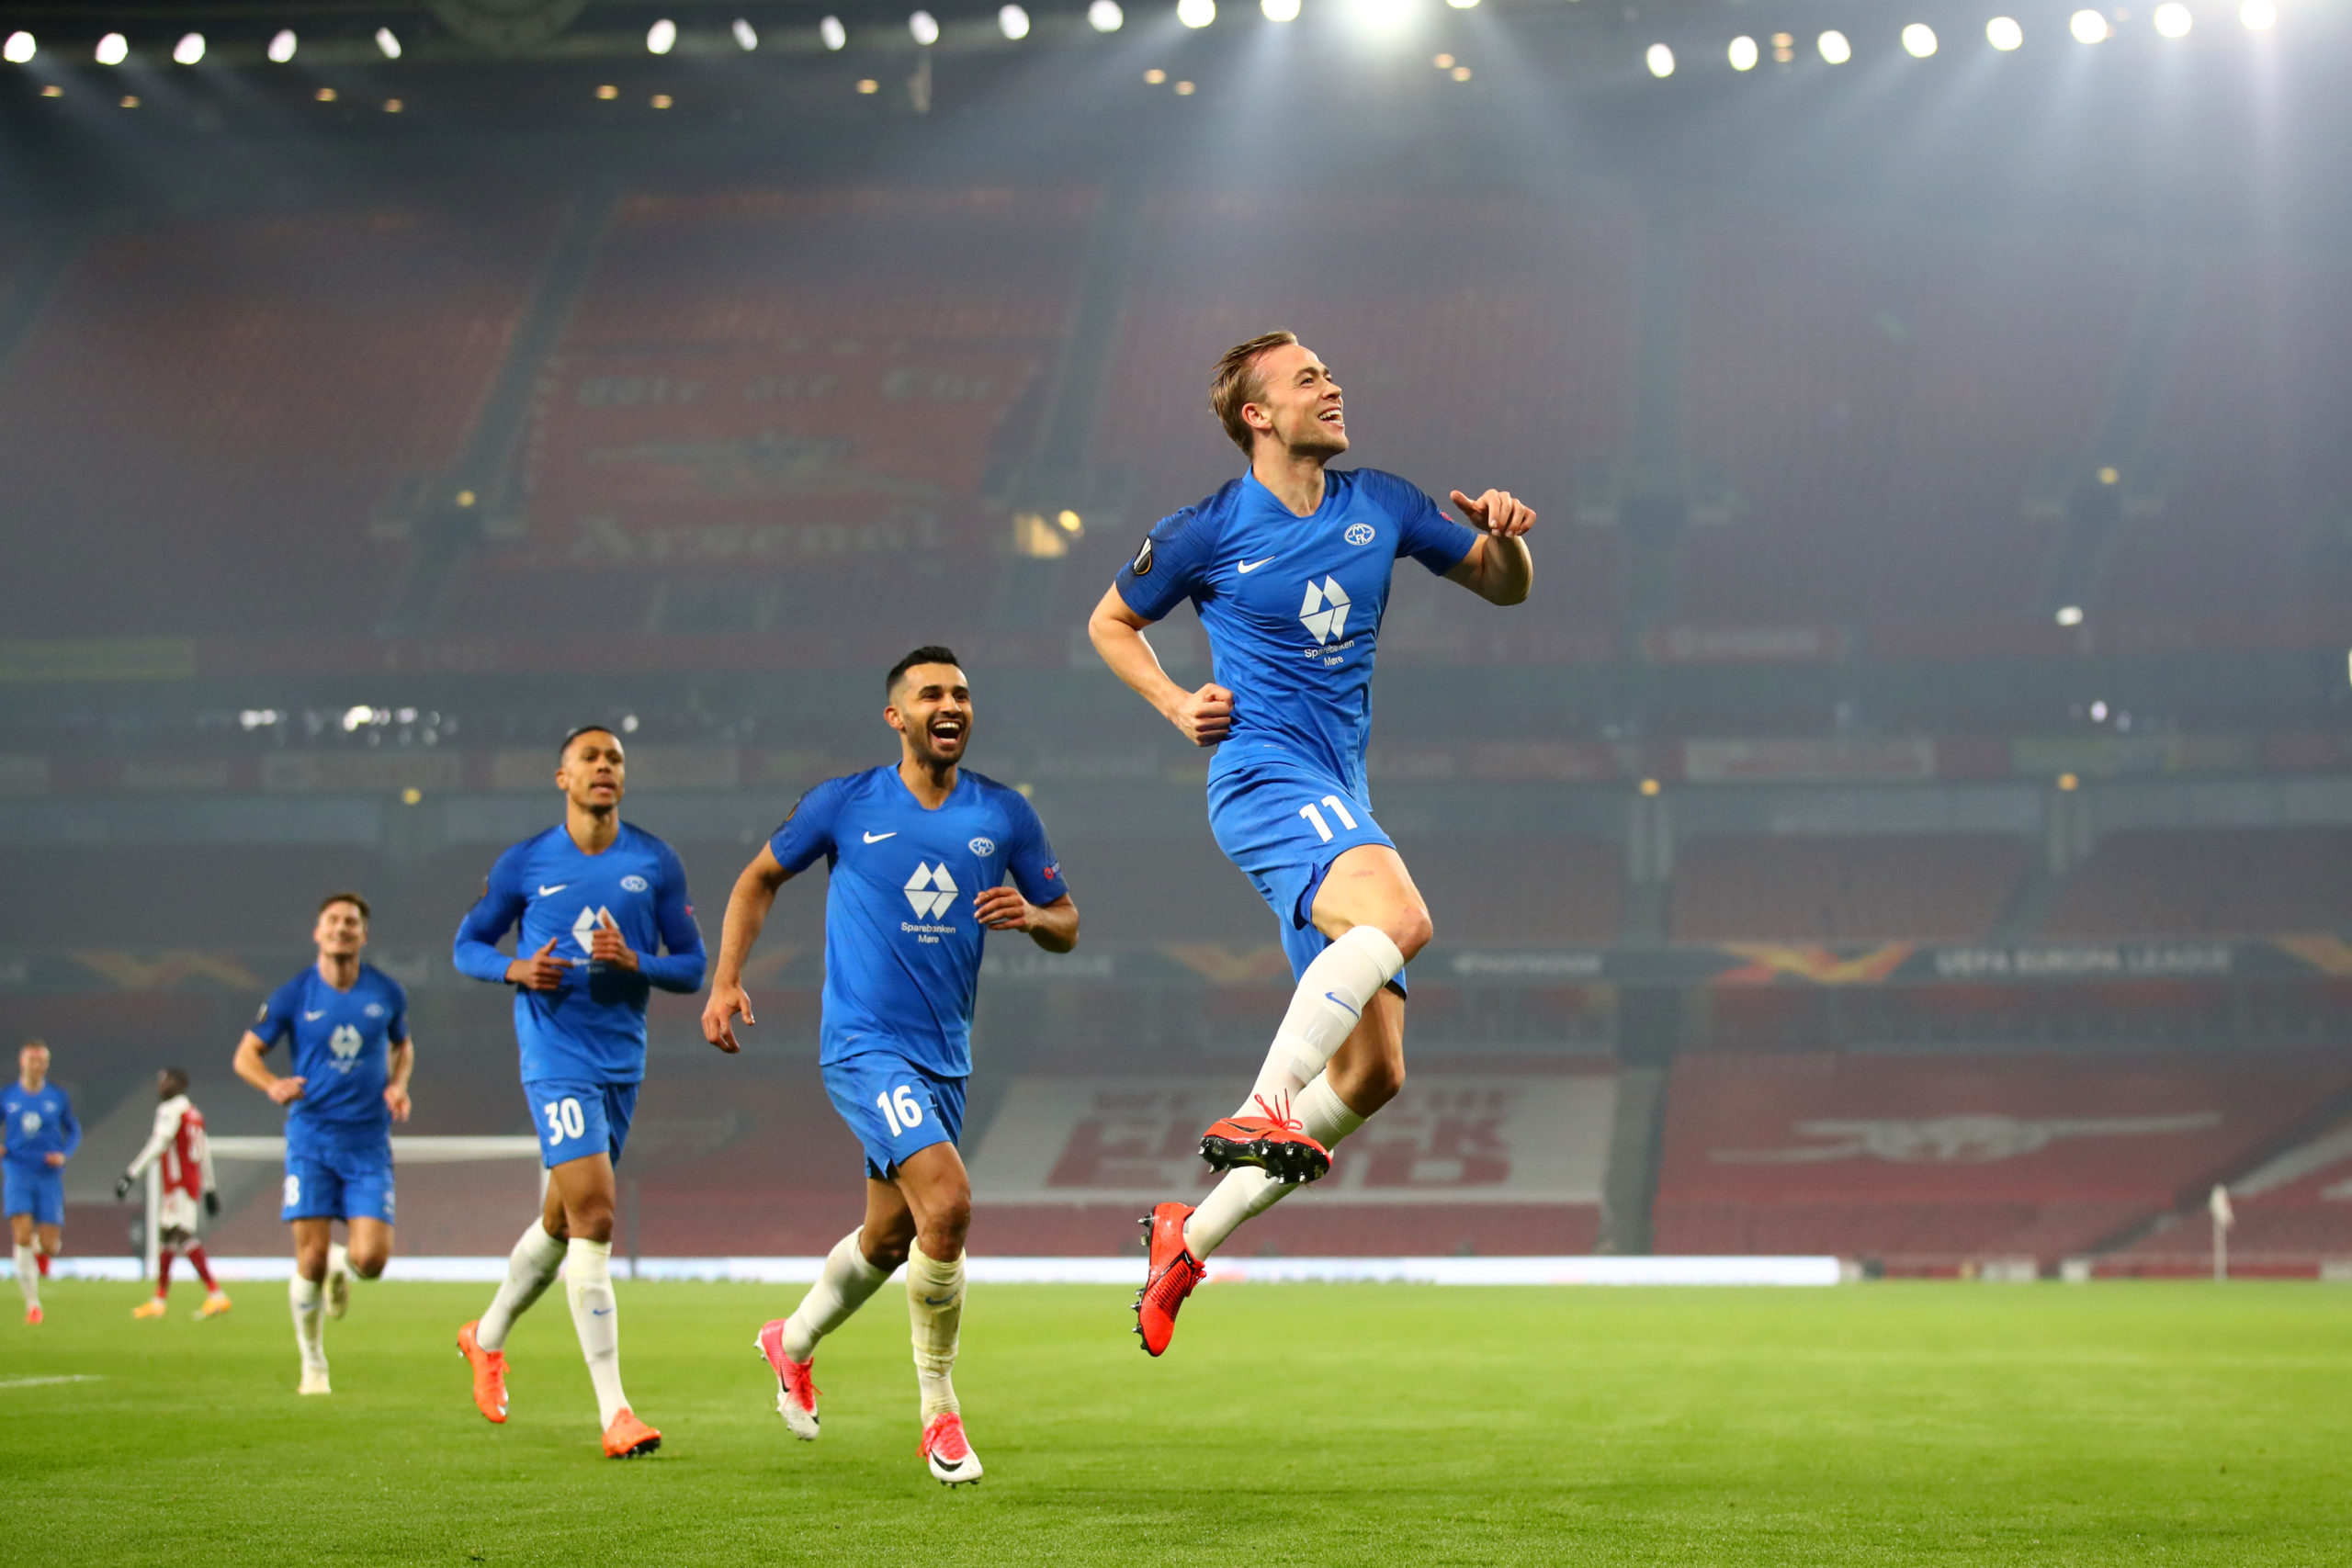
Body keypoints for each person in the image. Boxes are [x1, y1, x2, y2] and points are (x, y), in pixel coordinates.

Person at [1087, 331, 1535, 1355]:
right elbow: (1111, 622)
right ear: (1257, 415)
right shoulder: (1203, 530)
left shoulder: (1382, 503)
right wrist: (1175, 702)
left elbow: (1503, 585)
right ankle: (1265, 1103)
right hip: (1263, 777)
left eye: (1329, 373)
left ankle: (1186, 1239)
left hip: (1339, 793)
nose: (1332, 386)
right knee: (1403, 915)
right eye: (1307, 379)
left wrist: (1506, 537)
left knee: (1375, 1075)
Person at [704, 647, 1078, 1486]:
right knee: (949, 1202)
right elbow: (757, 879)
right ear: (895, 716)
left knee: (890, 1236)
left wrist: (1032, 914)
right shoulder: (845, 803)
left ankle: (791, 1340)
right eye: (931, 693)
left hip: (946, 1056)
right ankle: (939, 1411)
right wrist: (726, 979)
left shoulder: (1004, 813)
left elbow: (1068, 920)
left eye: (962, 694)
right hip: (863, 1044)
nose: (951, 705)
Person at [452, 724, 705, 1461]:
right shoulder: (526, 862)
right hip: (554, 1054)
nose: (604, 767)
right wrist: (515, 969)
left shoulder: (655, 861)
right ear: (561, 776)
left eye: (615, 758)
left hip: (621, 1059)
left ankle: (485, 1335)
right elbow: (467, 944)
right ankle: (615, 1411)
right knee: (595, 1213)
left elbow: (691, 965)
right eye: (590, 758)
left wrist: (637, 963)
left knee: (562, 1219)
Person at [232, 894, 413, 1393]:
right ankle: (313, 1364)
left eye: (351, 922)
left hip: (368, 1143)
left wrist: (399, 1085)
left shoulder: (387, 992)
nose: (341, 928)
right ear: (317, 932)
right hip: (311, 1139)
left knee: (371, 1262)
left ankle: (343, 1264)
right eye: (332, 921)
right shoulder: (293, 995)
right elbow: (245, 1055)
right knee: (309, 1261)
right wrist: (272, 1083)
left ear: (364, 934)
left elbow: (403, 1045)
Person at [116, 1067, 231, 1319]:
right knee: (167, 1236)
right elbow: (204, 1151)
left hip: (179, 1183)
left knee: (182, 1235)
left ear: (179, 1083)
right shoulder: (194, 1113)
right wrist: (210, 1188)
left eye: (165, 1080)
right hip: (187, 1183)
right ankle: (159, 1300)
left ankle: (216, 1294)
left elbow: (159, 1142)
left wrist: (131, 1174)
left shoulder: (170, 1110)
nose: (161, 1085)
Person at [4, 1041, 78, 1325]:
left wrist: (65, 1153)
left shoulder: (57, 1097)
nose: (38, 1066)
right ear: (23, 1062)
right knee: (22, 1236)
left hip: (48, 1175)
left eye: (43, 1061)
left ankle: (37, 1252)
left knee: (50, 1246)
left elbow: (73, 1130)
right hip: (18, 1171)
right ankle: (33, 1305)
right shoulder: (8, 1096)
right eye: (33, 1060)